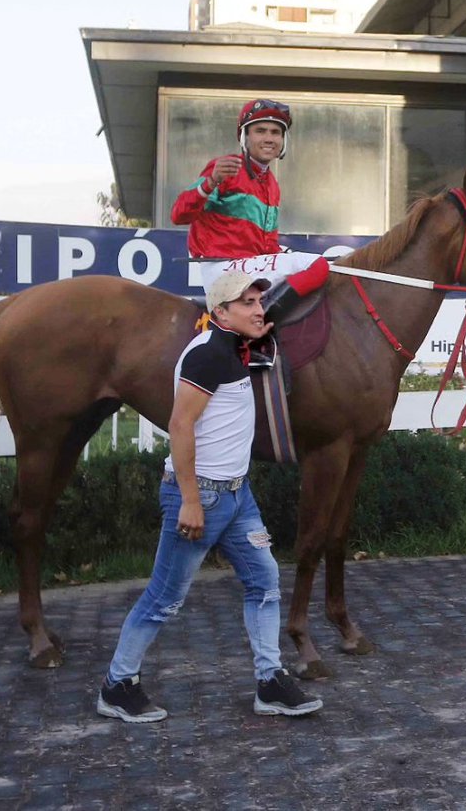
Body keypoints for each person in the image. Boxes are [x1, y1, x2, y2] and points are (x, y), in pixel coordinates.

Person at [97, 272, 323, 722]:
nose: (260, 309)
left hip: (239, 498)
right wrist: (190, 501)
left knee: (265, 583)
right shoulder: (207, 355)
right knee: (164, 598)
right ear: (220, 312)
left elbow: (277, 318)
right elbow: (180, 426)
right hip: (201, 496)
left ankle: (270, 682)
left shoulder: (235, 347)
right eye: (248, 303)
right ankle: (117, 686)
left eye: (260, 300)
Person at [171, 99, 330, 353]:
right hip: (222, 270)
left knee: (322, 266)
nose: (269, 138)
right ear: (244, 137)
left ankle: (261, 331)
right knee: (318, 265)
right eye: (260, 130)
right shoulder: (225, 168)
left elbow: (266, 245)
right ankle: (253, 332)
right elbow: (179, 214)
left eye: (276, 132)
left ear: (283, 141)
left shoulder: (272, 185)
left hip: (246, 270)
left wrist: (282, 253)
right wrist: (211, 181)